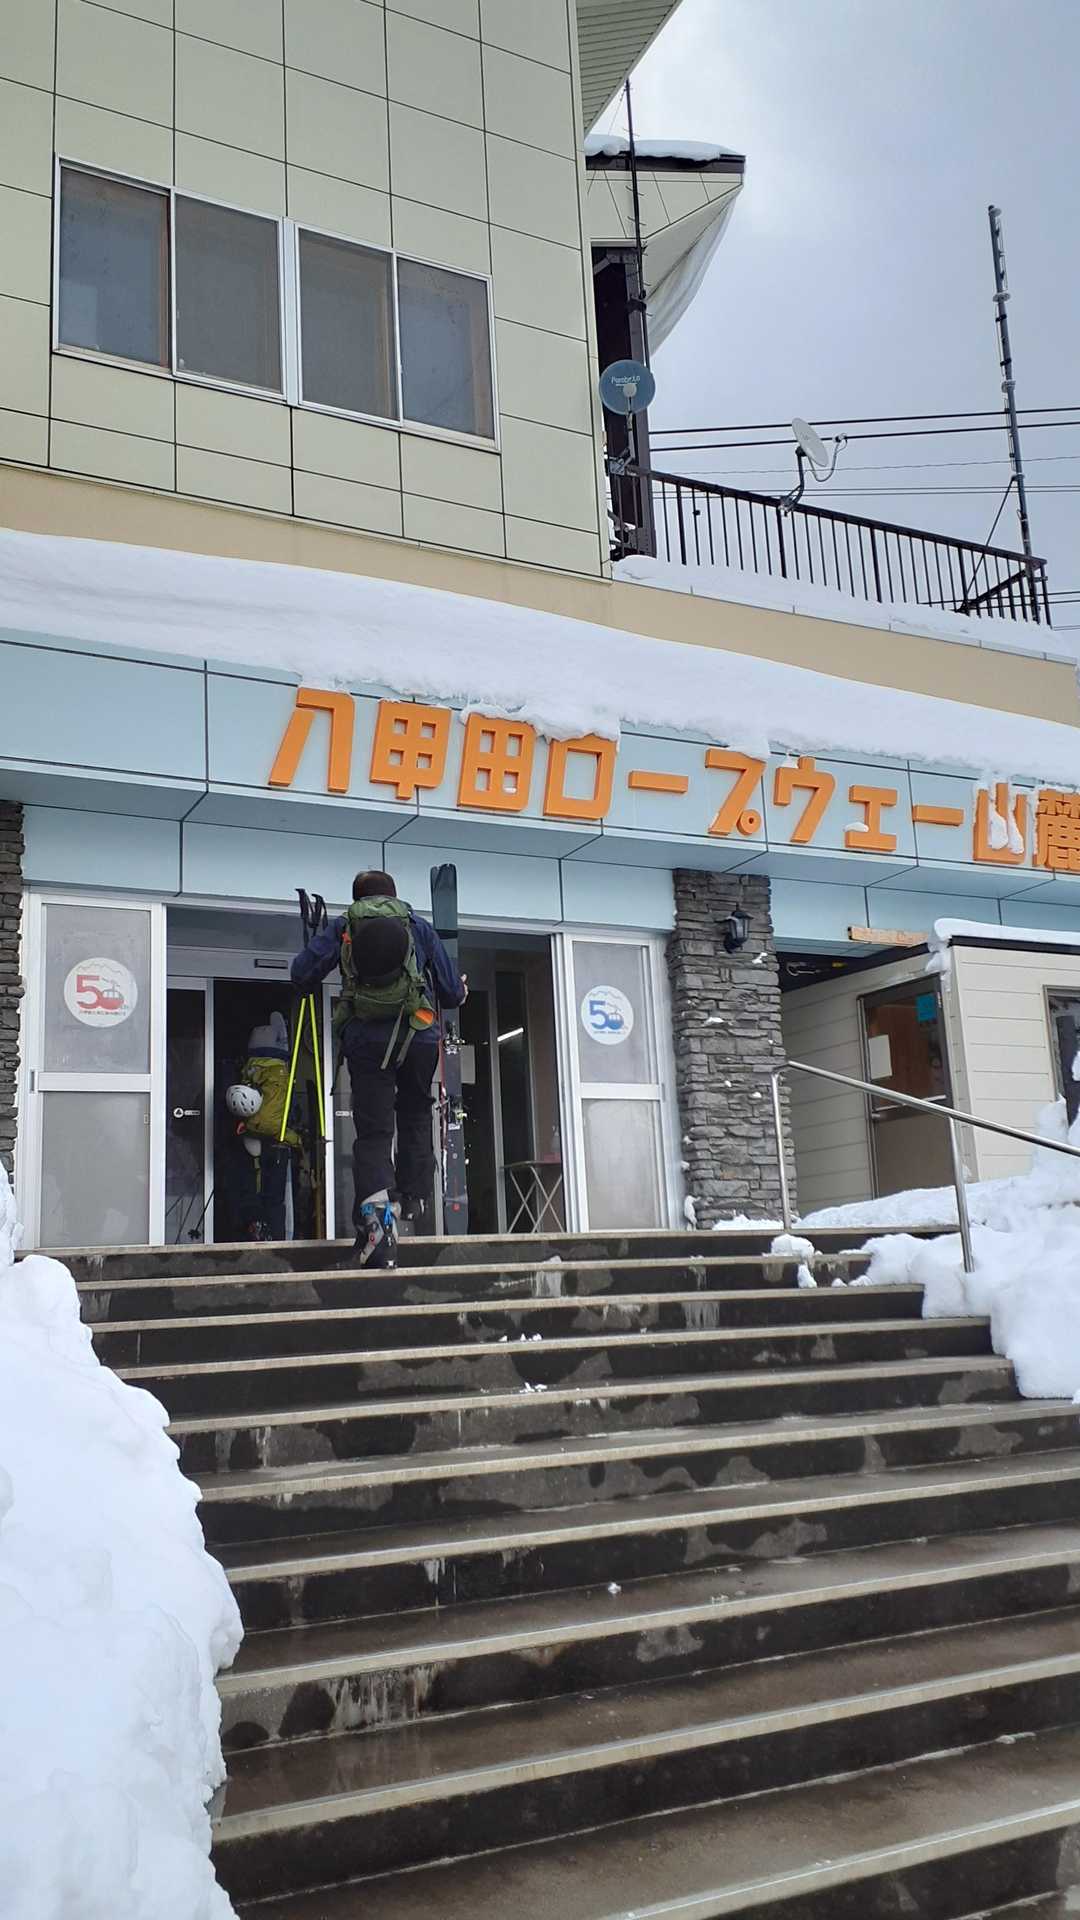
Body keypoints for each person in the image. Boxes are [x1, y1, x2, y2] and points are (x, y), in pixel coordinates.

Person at [291, 871, 466, 1268]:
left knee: (373, 1132)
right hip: (418, 1036)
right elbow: (451, 993)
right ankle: (415, 1197)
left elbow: (301, 972)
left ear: (357, 898)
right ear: (394, 896)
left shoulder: (346, 924)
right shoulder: (417, 925)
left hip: (367, 1039)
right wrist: (460, 989)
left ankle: (379, 1225)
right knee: (416, 1109)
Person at [225, 1011, 302, 1240]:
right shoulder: (276, 1073)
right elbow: (269, 1123)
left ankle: (258, 1230)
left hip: (252, 1142)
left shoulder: (250, 1068)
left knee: (252, 1189)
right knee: (273, 1198)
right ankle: (274, 1240)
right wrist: (297, 1139)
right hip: (274, 1145)